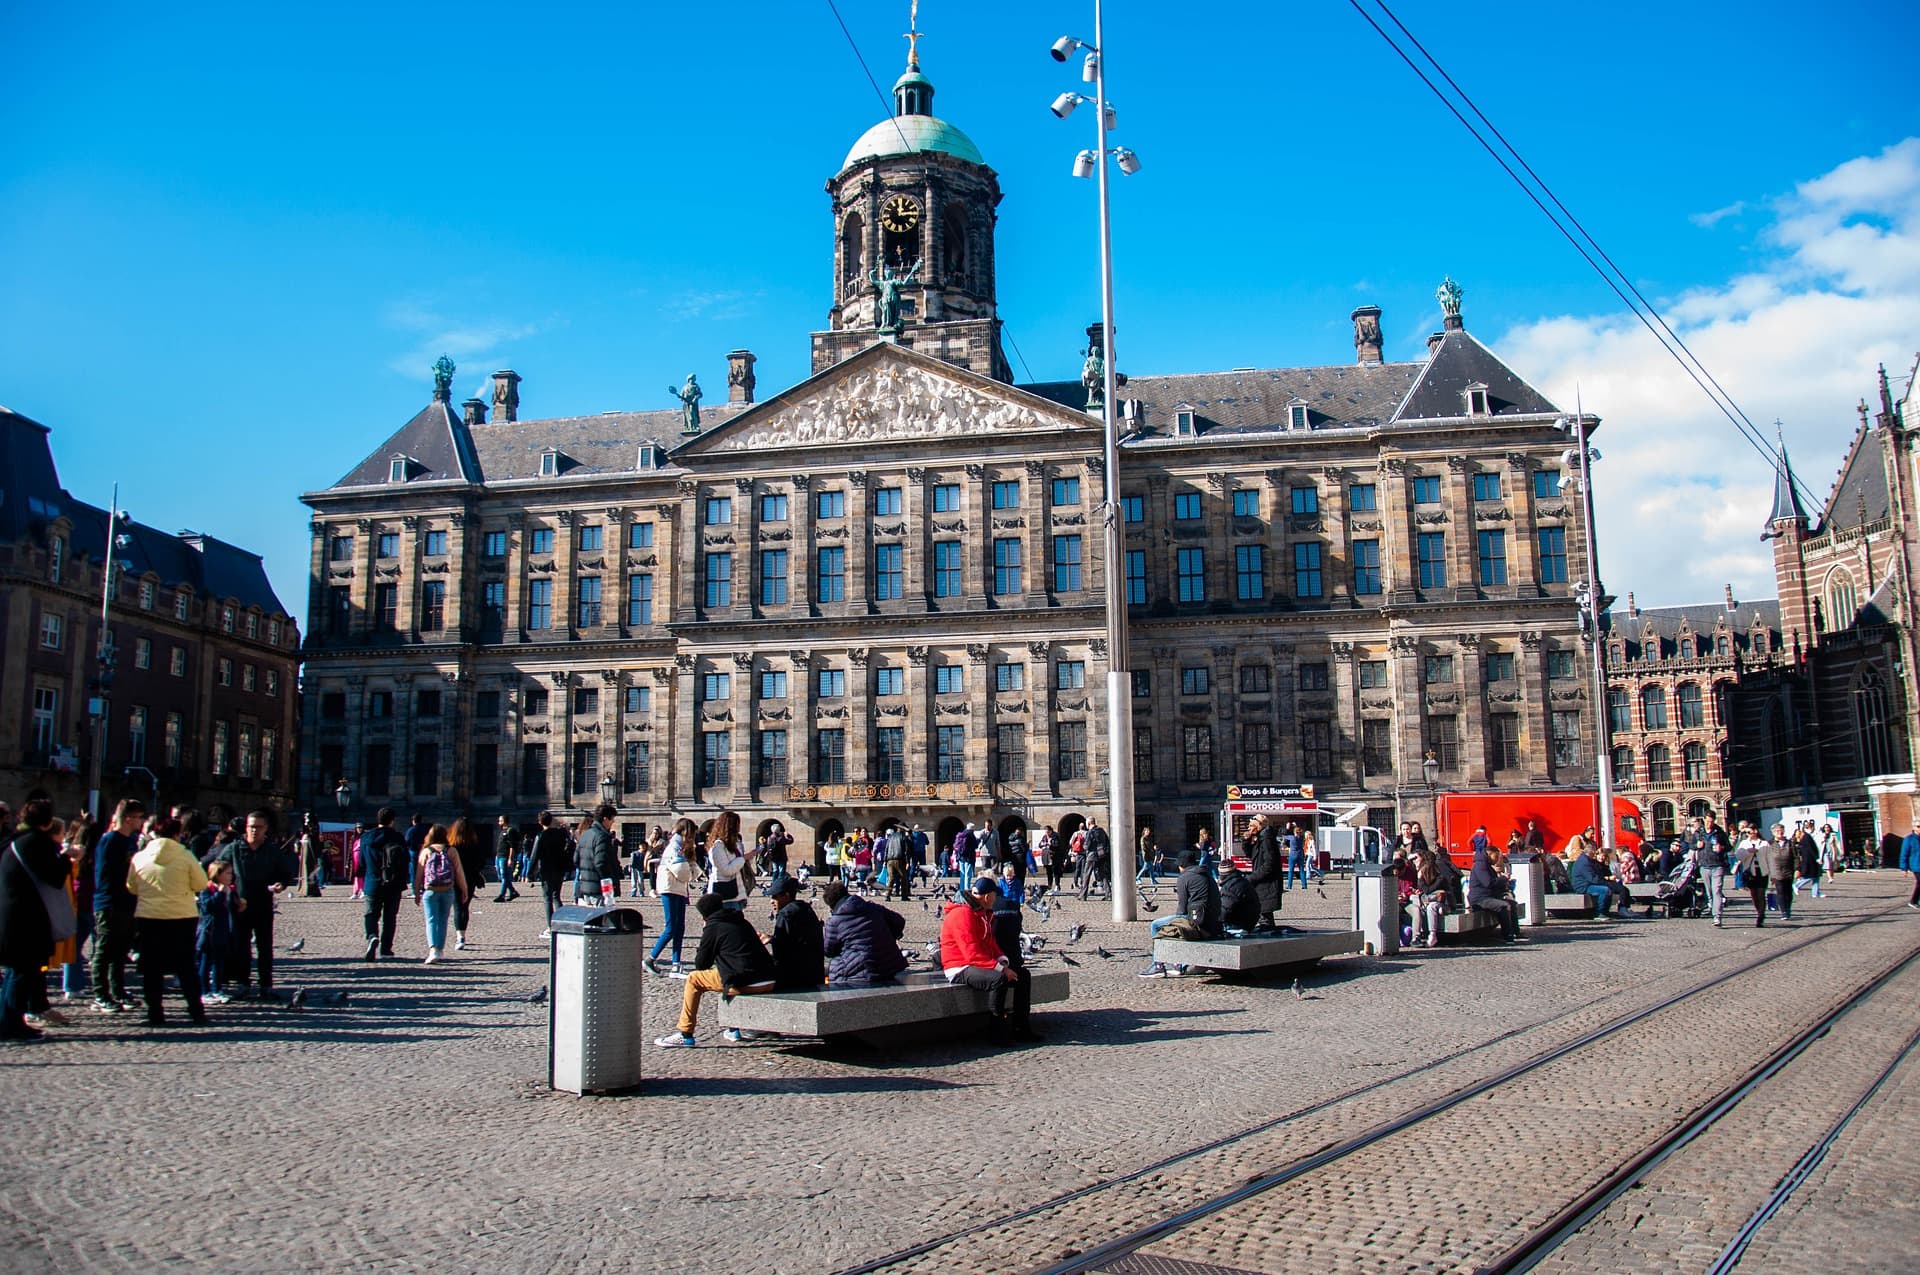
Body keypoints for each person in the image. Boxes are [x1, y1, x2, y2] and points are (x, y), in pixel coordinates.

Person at [655, 893, 776, 1048]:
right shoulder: (741, 921)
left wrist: (706, 935)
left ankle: (685, 1033)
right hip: (770, 978)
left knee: (695, 979)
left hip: (746, 981)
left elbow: (701, 965)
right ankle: (733, 1028)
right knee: (726, 972)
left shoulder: (713, 927)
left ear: (704, 916)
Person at [125, 814, 209, 1026]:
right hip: (182, 916)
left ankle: (155, 1012)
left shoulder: (140, 857)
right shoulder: (185, 856)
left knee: (151, 968)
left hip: (149, 917)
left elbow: (131, 886)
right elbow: (200, 883)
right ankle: (196, 1010)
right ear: (177, 835)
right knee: (186, 967)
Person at [1, 798, 71, 1041]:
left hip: (12, 914)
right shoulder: (37, 843)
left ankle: (8, 1020)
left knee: (16, 971)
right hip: (26, 918)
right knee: (23, 972)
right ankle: (10, 1024)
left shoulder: (14, 840)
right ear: (48, 822)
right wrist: (67, 858)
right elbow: (52, 876)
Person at [941, 877, 1033, 1044]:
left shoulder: (980, 912)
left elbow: (990, 942)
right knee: (999, 980)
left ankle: (1021, 1027)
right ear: (987, 897)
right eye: (994, 897)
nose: (996, 901)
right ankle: (996, 1032)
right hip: (959, 966)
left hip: (976, 962)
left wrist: (1002, 961)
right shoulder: (962, 914)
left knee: (1023, 975)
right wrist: (1002, 969)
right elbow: (971, 953)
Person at [215, 809, 293, 998]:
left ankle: (266, 985)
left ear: (266, 828)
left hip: (263, 904)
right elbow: (215, 869)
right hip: (240, 905)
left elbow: (285, 873)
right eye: (251, 827)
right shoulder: (234, 849)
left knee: (265, 947)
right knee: (241, 947)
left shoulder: (272, 851)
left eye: (258, 827)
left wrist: (280, 884)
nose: (253, 831)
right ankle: (243, 983)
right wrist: (227, 888)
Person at [91, 799, 144, 1013]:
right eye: (139, 817)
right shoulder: (110, 840)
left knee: (120, 951)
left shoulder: (130, 840)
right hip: (109, 902)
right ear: (129, 818)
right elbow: (104, 874)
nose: (141, 822)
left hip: (127, 902)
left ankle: (118, 991)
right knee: (104, 950)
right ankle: (100, 995)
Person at [1140, 851, 1221, 977]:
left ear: (1183, 865)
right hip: (1213, 922)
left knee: (1156, 925)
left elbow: (1182, 908)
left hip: (1196, 921)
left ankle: (1159, 965)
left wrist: (1177, 920)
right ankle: (1178, 964)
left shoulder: (1184, 877)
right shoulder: (1207, 875)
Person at [821, 880, 908, 986]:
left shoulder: (834, 921)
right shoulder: (873, 907)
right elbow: (899, 921)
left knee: (832, 968)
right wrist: (886, 936)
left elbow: (828, 950)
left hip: (863, 969)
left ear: (832, 905)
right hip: (890, 965)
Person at [360, 808, 412, 960]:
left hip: (372, 882)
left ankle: (372, 936)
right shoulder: (397, 837)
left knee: (371, 914)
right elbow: (405, 861)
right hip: (393, 883)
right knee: (390, 917)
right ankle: (386, 949)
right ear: (392, 821)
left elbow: (362, 862)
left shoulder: (366, 838)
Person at [647, 819, 696, 974]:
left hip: (677, 888)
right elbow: (681, 870)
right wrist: (692, 872)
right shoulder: (675, 846)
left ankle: (676, 962)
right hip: (670, 888)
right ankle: (650, 959)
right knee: (671, 927)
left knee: (680, 927)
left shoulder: (680, 846)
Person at [414, 824, 468, 963]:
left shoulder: (426, 851)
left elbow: (419, 874)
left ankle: (433, 950)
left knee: (431, 920)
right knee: (443, 920)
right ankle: (440, 950)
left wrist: (416, 892)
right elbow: (459, 872)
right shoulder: (451, 851)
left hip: (430, 890)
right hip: (447, 889)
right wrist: (464, 889)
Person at [763, 876, 824, 993]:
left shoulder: (785, 914)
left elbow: (781, 952)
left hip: (793, 978)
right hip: (814, 974)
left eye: (774, 897)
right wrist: (772, 939)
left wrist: (771, 941)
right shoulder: (806, 909)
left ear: (786, 896)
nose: (771, 901)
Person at [196, 860, 240, 1004]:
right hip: (210, 932)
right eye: (227, 873)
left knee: (219, 963)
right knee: (205, 962)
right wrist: (220, 894)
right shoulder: (207, 889)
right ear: (218, 874)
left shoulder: (230, 889)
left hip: (223, 931)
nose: (231, 876)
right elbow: (208, 907)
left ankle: (217, 989)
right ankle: (204, 991)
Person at [1467, 841, 1520, 941]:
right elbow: (1488, 883)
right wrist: (1503, 879)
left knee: (1512, 904)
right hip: (1480, 899)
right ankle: (1507, 935)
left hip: (1489, 896)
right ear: (1489, 854)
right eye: (1495, 857)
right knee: (1504, 906)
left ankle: (1516, 932)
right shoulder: (1480, 866)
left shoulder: (1486, 866)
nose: (1496, 860)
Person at [447, 816, 486, 951]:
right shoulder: (474, 845)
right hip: (470, 879)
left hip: (455, 879)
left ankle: (459, 936)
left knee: (458, 907)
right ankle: (462, 935)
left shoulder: (452, 846)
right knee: (465, 907)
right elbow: (481, 862)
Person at [532, 812, 573, 930]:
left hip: (546, 869)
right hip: (559, 868)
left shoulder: (541, 835)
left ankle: (551, 926)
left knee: (547, 898)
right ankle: (562, 921)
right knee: (556, 896)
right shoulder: (560, 834)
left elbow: (535, 855)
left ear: (540, 822)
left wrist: (529, 872)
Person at [1246, 814, 1285, 929]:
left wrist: (1252, 877)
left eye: (1251, 826)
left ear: (1258, 826)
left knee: (1265, 918)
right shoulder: (1261, 838)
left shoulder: (1267, 840)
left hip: (1267, 884)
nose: (1249, 828)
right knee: (1264, 915)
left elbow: (1269, 865)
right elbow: (1252, 856)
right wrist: (1246, 841)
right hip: (1263, 883)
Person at [705, 810, 748, 910]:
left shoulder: (732, 844)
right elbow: (726, 870)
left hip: (736, 892)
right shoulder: (718, 846)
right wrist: (744, 858)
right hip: (725, 894)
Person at [1408, 846, 1449, 948]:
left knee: (1432, 906)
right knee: (1417, 900)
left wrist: (1420, 879)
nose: (1415, 862)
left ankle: (1432, 935)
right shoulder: (1416, 871)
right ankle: (1418, 935)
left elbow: (1427, 891)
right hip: (1427, 901)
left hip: (1442, 904)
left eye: (1416, 859)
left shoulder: (1440, 878)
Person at [1734, 822, 1772, 927]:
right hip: (1750, 872)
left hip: (1762, 872)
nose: (1748, 834)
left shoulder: (1764, 843)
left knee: (1761, 894)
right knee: (1754, 895)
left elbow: (1770, 859)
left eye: (1749, 832)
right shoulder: (1744, 843)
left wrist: (1772, 873)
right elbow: (1738, 856)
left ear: (1755, 831)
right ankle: (1758, 911)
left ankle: (1761, 915)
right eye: (1746, 832)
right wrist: (1748, 851)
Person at [1218, 851, 1260, 936]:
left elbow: (1225, 912)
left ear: (1222, 875)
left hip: (1238, 924)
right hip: (1249, 922)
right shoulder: (1242, 881)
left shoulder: (1230, 887)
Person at [1764, 822, 1797, 921]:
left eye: (1781, 830)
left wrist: (1798, 869)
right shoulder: (1769, 844)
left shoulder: (1790, 843)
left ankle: (1788, 908)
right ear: (1773, 833)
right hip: (1776, 871)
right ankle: (1784, 911)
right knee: (1780, 890)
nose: (1780, 832)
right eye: (1777, 831)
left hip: (1788, 870)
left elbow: (1796, 857)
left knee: (1788, 891)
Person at [1079, 819, 1111, 900]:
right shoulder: (1101, 831)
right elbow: (1107, 842)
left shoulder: (1090, 832)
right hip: (1101, 855)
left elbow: (1087, 845)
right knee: (1103, 875)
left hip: (1091, 856)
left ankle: (1083, 895)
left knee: (1086, 875)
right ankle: (1109, 894)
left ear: (1089, 823)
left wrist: (1083, 847)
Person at [494, 816, 523, 903]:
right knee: (501, 876)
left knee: (504, 876)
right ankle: (513, 892)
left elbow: (512, 846)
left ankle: (502, 895)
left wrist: (510, 858)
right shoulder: (502, 831)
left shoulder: (510, 831)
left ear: (505, 821)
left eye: (500, 820)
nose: (499, 822)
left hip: (505, 857)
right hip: (499, 856)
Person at [884, 825, 911, 901]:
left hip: (890, 860)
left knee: (891, 878)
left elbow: (886, 848)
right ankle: (904, 896)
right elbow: (906, 851)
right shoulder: (903, 837)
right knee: (903, 878)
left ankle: (887, 895)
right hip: (899, 859)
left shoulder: (890, 837)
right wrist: (907, 862)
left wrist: (885, 860)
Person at [1283, 821, 1308, 891]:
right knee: (1302, 870)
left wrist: (1287, 828)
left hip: (1293, 854)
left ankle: (1289, 885)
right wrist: (1295, 826)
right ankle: (1304, 885)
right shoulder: (1302, 837)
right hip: (1300, 853)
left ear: (1294, 832)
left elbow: (1284, 835)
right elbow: (1300, 832)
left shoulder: (1292, 838)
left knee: (1291, 870)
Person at [1903, 819, 1920, 908]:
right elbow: (1904, 854)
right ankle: (1913, 901)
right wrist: (1904, 868)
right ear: (1914, 828)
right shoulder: (1909, 839)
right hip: (1916, 865)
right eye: (1918, 826)